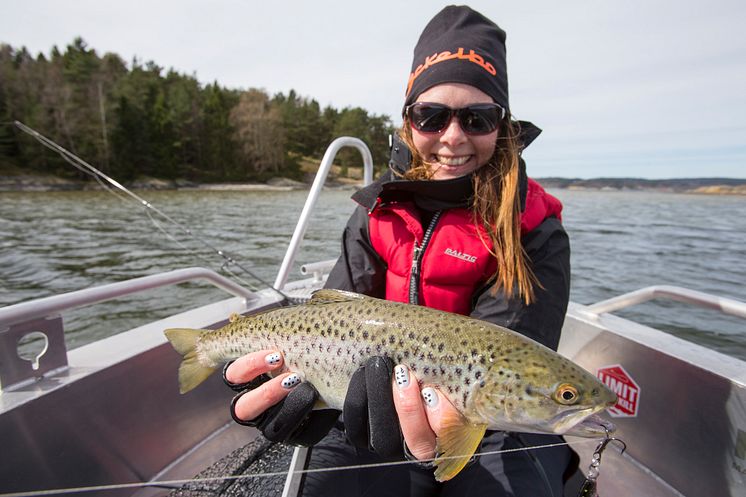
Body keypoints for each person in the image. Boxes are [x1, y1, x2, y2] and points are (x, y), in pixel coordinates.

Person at [223, 5, 573, 496]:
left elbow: (501, 360)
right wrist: (305, 401)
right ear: (408, 123)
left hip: (492, 432)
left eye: (477, 117)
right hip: (367, 420)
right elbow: (332, 315)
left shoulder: (534, 227)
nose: (453, 137)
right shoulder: (372, 210)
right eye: (432, 116)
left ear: (502, 125)